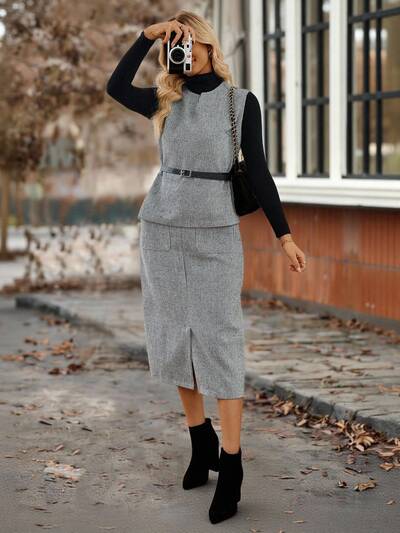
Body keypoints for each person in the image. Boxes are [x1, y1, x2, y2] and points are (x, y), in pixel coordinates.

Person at [106, 10, 306, 525]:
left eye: (189, 42)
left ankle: (232, 464)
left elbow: (258, 171)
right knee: (175, 336)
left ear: (209, 46)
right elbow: (114, 87)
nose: (183, 51)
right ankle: (200, 441)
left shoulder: (241, 103)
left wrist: (284, 236)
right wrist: (146, 36)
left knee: (219, 340)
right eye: (175, 44)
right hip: (162, 230)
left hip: (216, 233)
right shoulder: (164, 99)